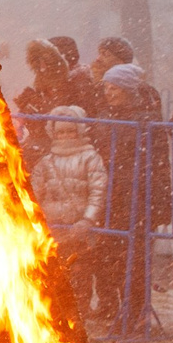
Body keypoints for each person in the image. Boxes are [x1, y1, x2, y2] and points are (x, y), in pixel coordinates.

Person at [88, 62, 169, 327]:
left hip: (136, 196)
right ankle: (122, 309)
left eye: (115, 88)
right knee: (112, 256)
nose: (109, 93)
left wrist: (160, 201)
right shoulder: (104, 116)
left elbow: (158, 161)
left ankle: (136, 311)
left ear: (128, 89)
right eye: (107, 87)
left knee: (136, 258)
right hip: (112, 194)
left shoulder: (146, 119)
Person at [30, 107, 108, 312]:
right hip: (52, 228)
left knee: (80, 273)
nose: (65, 136)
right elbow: (35, 193)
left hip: (79, 230)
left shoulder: (90, 158)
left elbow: (98, 191)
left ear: (80, 131)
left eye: (70, 131)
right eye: (60, 132)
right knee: (52, 272)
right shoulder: (46, 162)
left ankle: (78, 313)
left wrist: (87, 220)